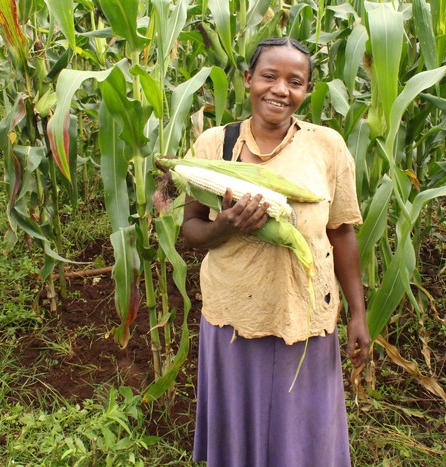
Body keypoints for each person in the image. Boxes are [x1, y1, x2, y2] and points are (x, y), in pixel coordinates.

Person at [182, 37, 370, 467]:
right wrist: (225, 225)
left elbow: (341, 233)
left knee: (302, 435)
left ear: (306, 91)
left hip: (305, 312)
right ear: (248, 80)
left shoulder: (327, 146)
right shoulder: (216, 143)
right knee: (240, 432)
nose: (280, 90)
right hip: (235, 311)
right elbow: (191, 230)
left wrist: (358, 315)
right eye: (269, 76)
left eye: (295, 81)